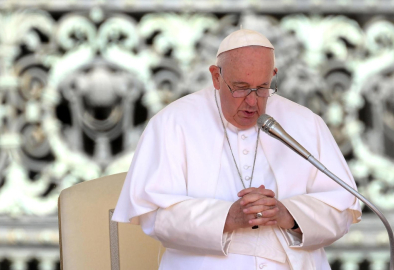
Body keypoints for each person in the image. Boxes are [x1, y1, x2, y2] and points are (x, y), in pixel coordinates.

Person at [112, 29, 362, 270]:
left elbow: (341, 211)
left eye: (262, 87)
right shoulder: (172, 123)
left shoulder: (306, 123)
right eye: (240, 87)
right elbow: (153, 216)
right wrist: (228, 217)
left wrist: (288, 214)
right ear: (216, 77)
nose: (252, 102)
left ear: (273, 74)